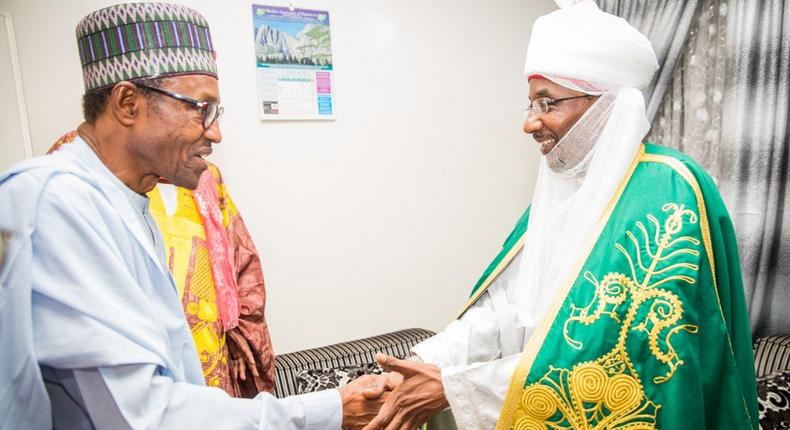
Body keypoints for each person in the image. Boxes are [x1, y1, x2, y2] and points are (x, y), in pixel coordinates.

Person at [366, 1, 759, 429]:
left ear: (606, 103)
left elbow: (628, 364)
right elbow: (509, 311)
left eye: (547, 103)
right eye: (530, 105)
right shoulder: (562, 192)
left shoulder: (670, 191)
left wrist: (456, 387)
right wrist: (422, 364)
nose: (530, 124)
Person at [0, 3, 393, 428]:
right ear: (128, 103)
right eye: (200, 108)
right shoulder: (56, 201)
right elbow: (142, 416)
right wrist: (331, 409)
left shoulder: (129, 200)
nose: (216, 133)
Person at [48, 131, 275, 398]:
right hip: (137, 364)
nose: (214, 132)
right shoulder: (85, 169)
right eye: (197, 108)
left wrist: (237, 334)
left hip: (210, 355)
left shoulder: (207, 177)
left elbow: (241, 260)